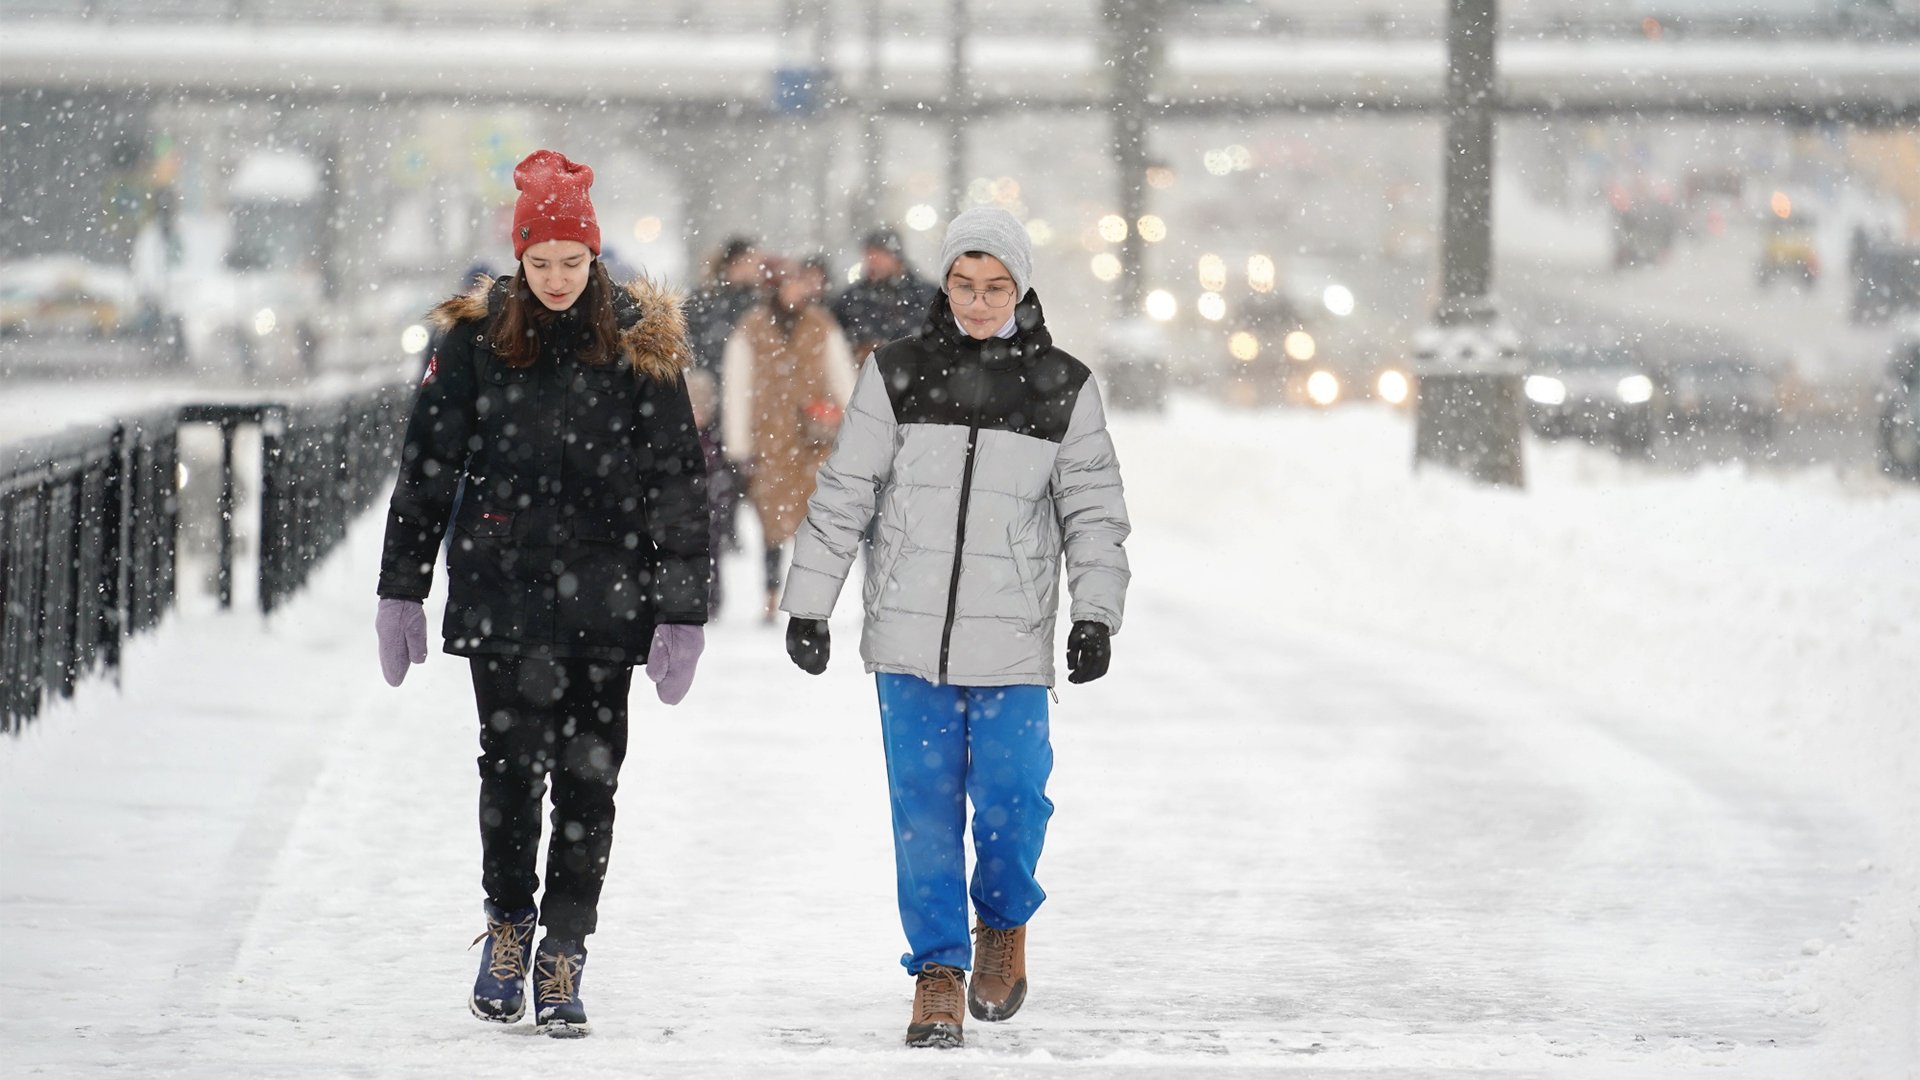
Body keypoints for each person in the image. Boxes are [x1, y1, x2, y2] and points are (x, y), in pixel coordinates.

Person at [373, 149, 710, 1040]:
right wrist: (399, 591)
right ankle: (509, 927)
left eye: (573, 261)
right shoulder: (474, 342)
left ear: (595, 258)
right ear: (517, 260)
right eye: (541, 262)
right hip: (503, 593)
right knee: (511, 774)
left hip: (609, 597)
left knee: (591, 783)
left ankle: (565, 946)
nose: (557, 279)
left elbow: (677, 478)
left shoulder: (642, 341)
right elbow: (426, 471)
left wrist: (683, 605)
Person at [778, 206, 1131, 1048]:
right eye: (965, 286)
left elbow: (1093, 512)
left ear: (1022, 286)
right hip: (909, 636)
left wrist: (1095, 615)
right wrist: (809, 602)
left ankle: (1002, 921)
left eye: (996, 287)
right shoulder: (894, 373)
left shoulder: (1064, 387)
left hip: (1011, 642)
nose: (977, 303)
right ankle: (936, 970)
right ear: (947, 282)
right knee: (923, 810)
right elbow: (846, 492)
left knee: (1013, 798)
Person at [720, 256, 857, 623]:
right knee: (770, 525)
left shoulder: (822, 326)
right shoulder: (750, 329)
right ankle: (770, 596)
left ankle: (809, 599)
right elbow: (736, 389)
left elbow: (843, 378)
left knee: (812, 524)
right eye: (790, 283)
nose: (798, 290)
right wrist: (739, 446)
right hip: (770, 443)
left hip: (815, 440)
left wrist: (854, 426)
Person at [682, 237, 765, 606]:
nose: (753, 268)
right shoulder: (704, 303)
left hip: (752, 415)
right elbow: (689, 352)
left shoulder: (761, 305)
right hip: (711, 415)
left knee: (760, 502)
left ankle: (770, 590)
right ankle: (711, 589)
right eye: (747, 261)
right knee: (710, 504)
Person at [831, 227, 939, 362]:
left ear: (896, 256)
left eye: (879, 255)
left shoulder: (926, 295)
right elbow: (837, 336)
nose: (873, 261)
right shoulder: (851, 298)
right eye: (869, 255)